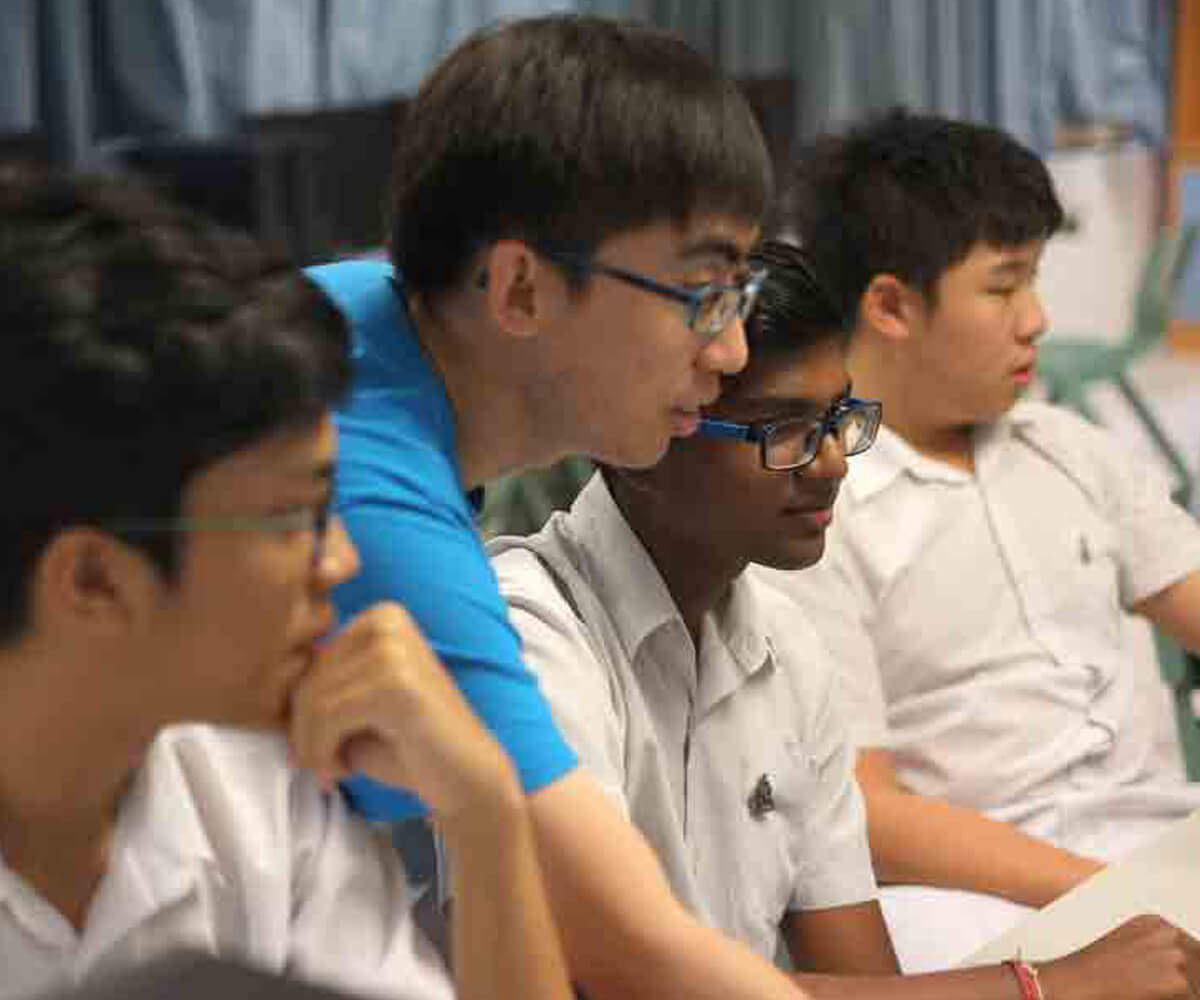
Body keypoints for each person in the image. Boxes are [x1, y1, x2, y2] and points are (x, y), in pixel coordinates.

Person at [488, 238, 1200, 999]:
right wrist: (1041, 988)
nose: (832, 461)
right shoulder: (529, 633)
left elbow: (866, 978)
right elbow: (625, 981)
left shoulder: (785, 646)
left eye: (838, 419)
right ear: (634, 438)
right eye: (783, 430)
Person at [308, 14, 811, 1000]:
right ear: (522, 290)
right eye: (703, 294)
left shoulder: (374, 320)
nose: (734, 352)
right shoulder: (360, 493)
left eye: (739, 293)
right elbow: (636, 953)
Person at [0, 166, 571, 1000]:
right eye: (293, 519)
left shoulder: (256, 785)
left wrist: (484, 817)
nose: (338, 561)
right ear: (93, 581)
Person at [755, 108, 1200, 970]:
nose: (1036, 319)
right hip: (975, 891)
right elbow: (868, 811)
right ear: (891, 305)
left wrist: (1148, 879)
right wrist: (1108, 887)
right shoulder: (818, 506)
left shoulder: (1067, 449)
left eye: (1035, 280)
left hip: (1152, 835)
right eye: (1003, 288)